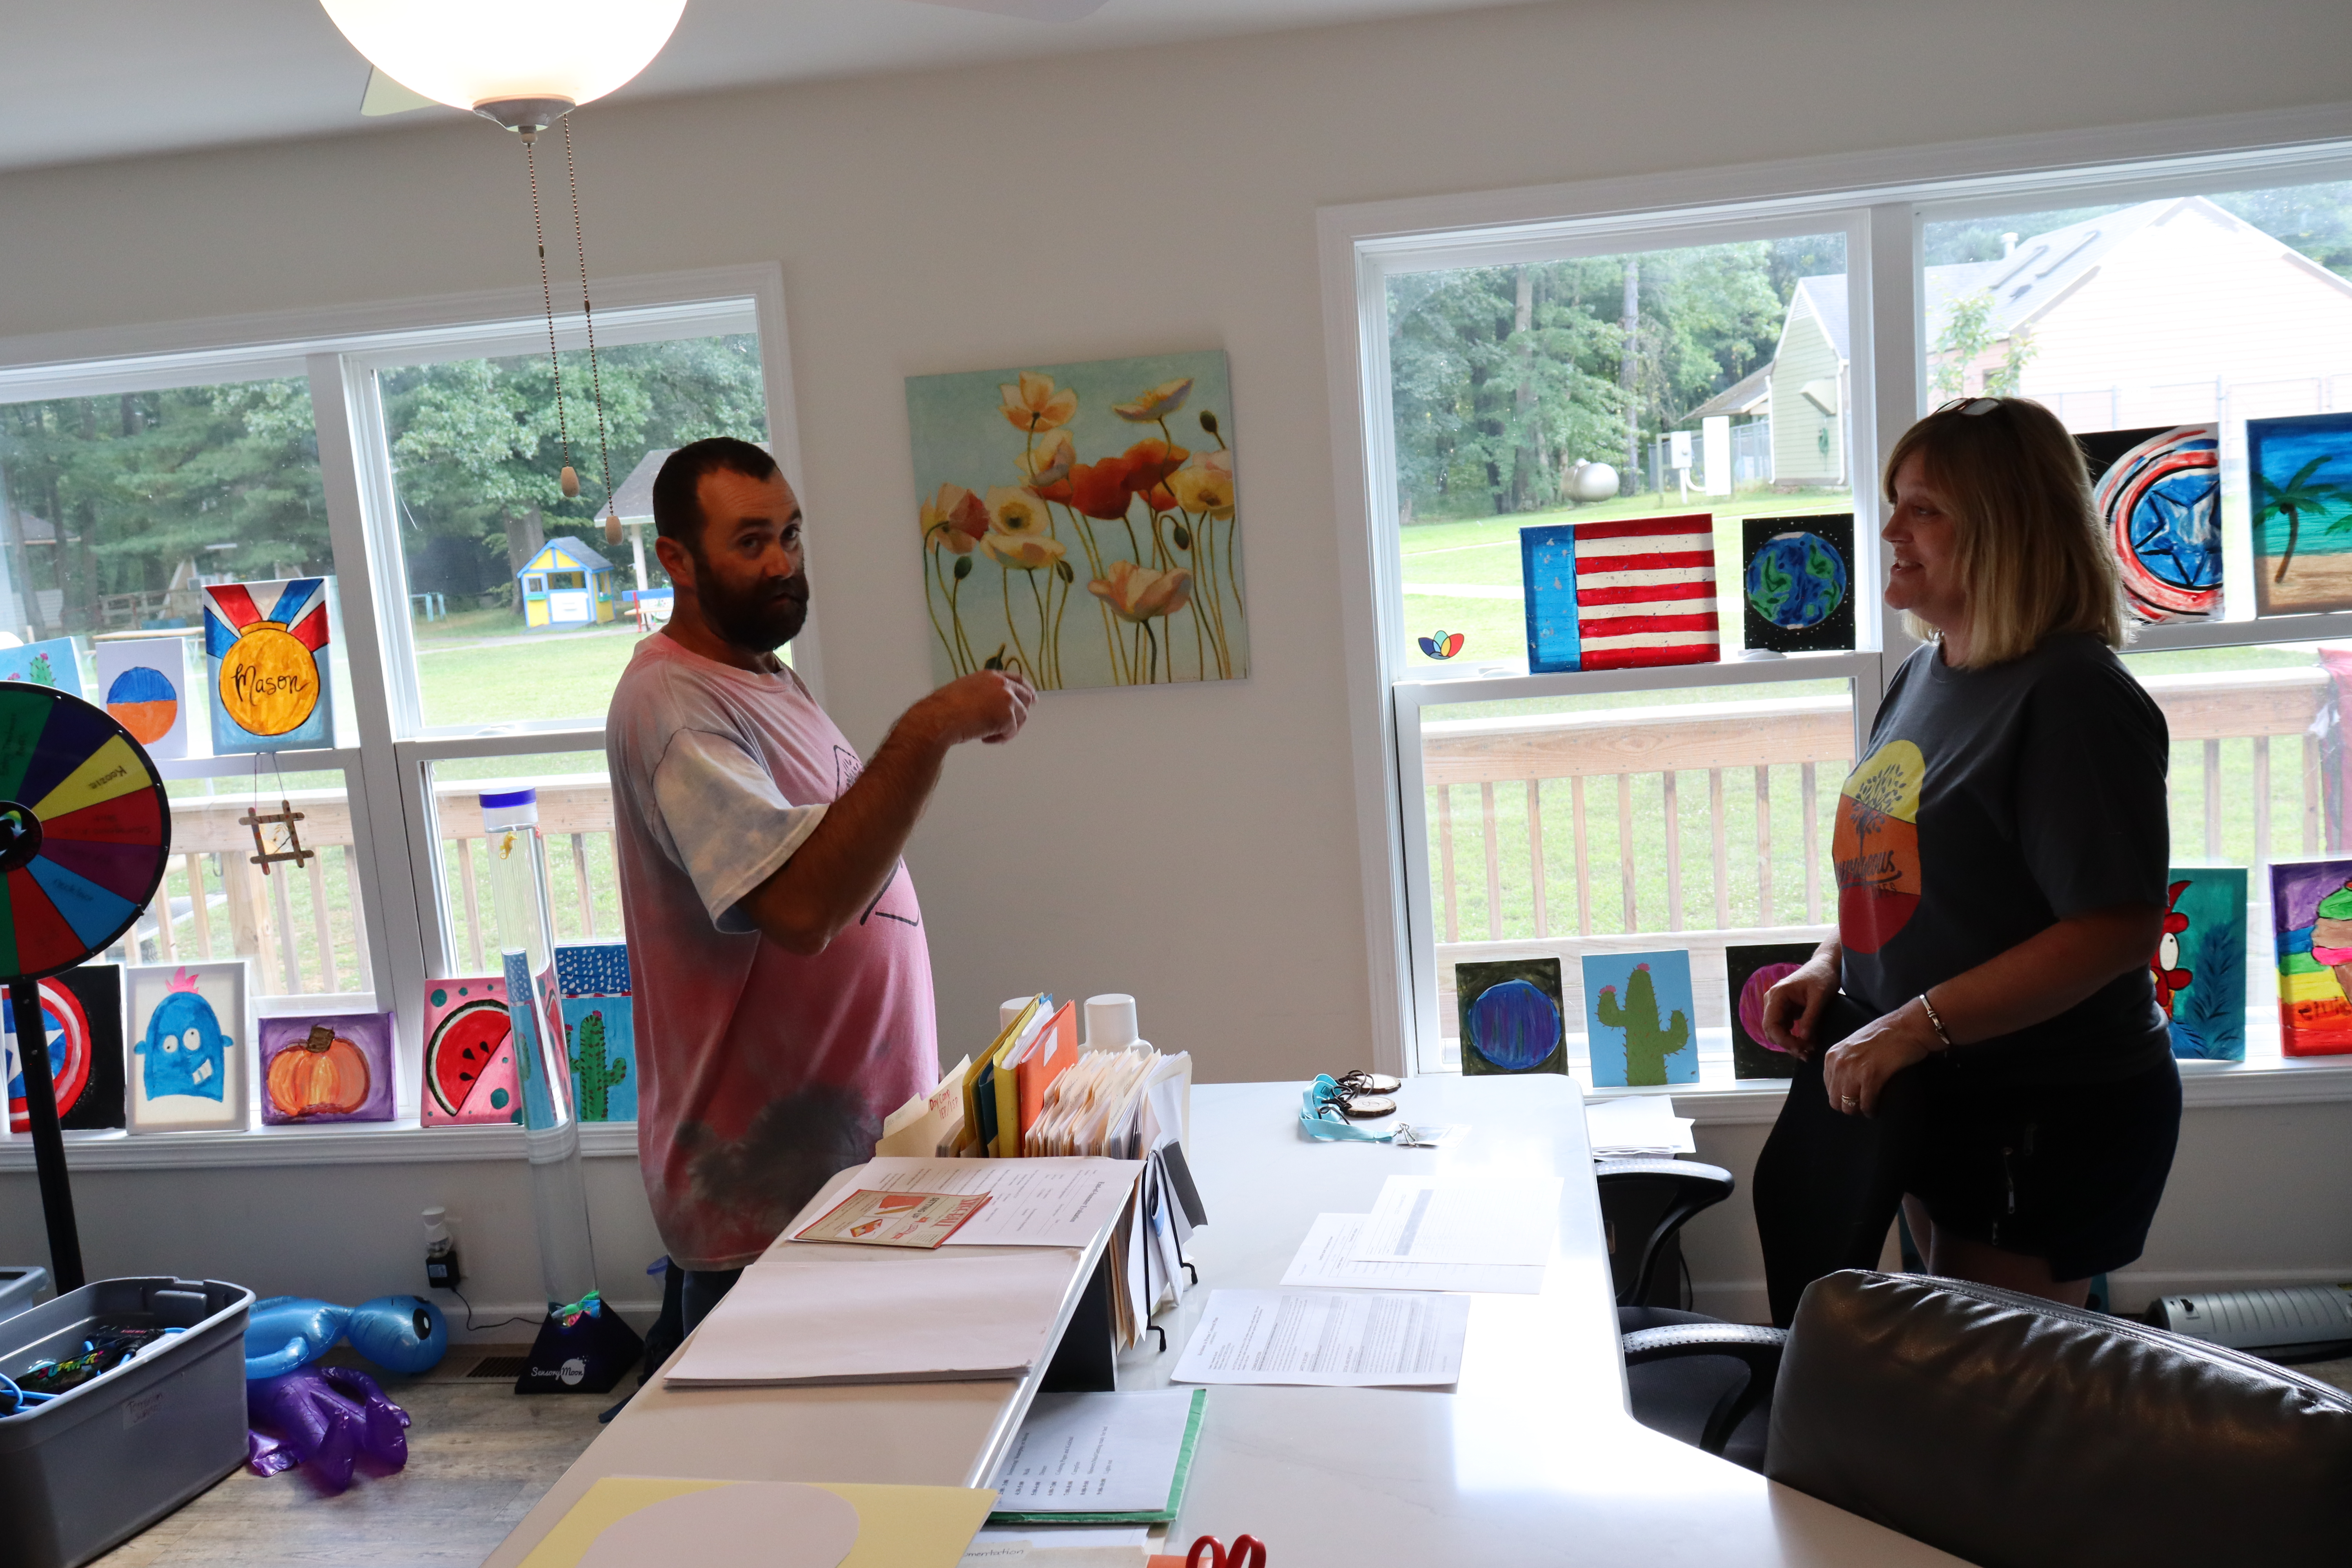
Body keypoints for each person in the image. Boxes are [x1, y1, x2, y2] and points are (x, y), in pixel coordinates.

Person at [607, 437, 1034, 1331]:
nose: (783, 564)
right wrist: (931, 727)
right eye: (751, 541)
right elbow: (802, 912)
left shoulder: (758, 674)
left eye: (792, 535)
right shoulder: (675, 710)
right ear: (676, 559)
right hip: (763, 1214)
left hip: (848, 1184)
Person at [1760, 396, 2178, 1307]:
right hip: (1926, 1079)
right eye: (1895, 502)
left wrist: (1910, 1023)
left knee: (2002, 1401)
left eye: (1924, 508)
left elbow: (2113, 925)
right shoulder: (1928, 673)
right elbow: (1902, 864)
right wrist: (1834, 962)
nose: (1892, 531)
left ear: (2006, 528)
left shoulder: (2072, 697)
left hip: (2038, 1107)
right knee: (1951, 1365)